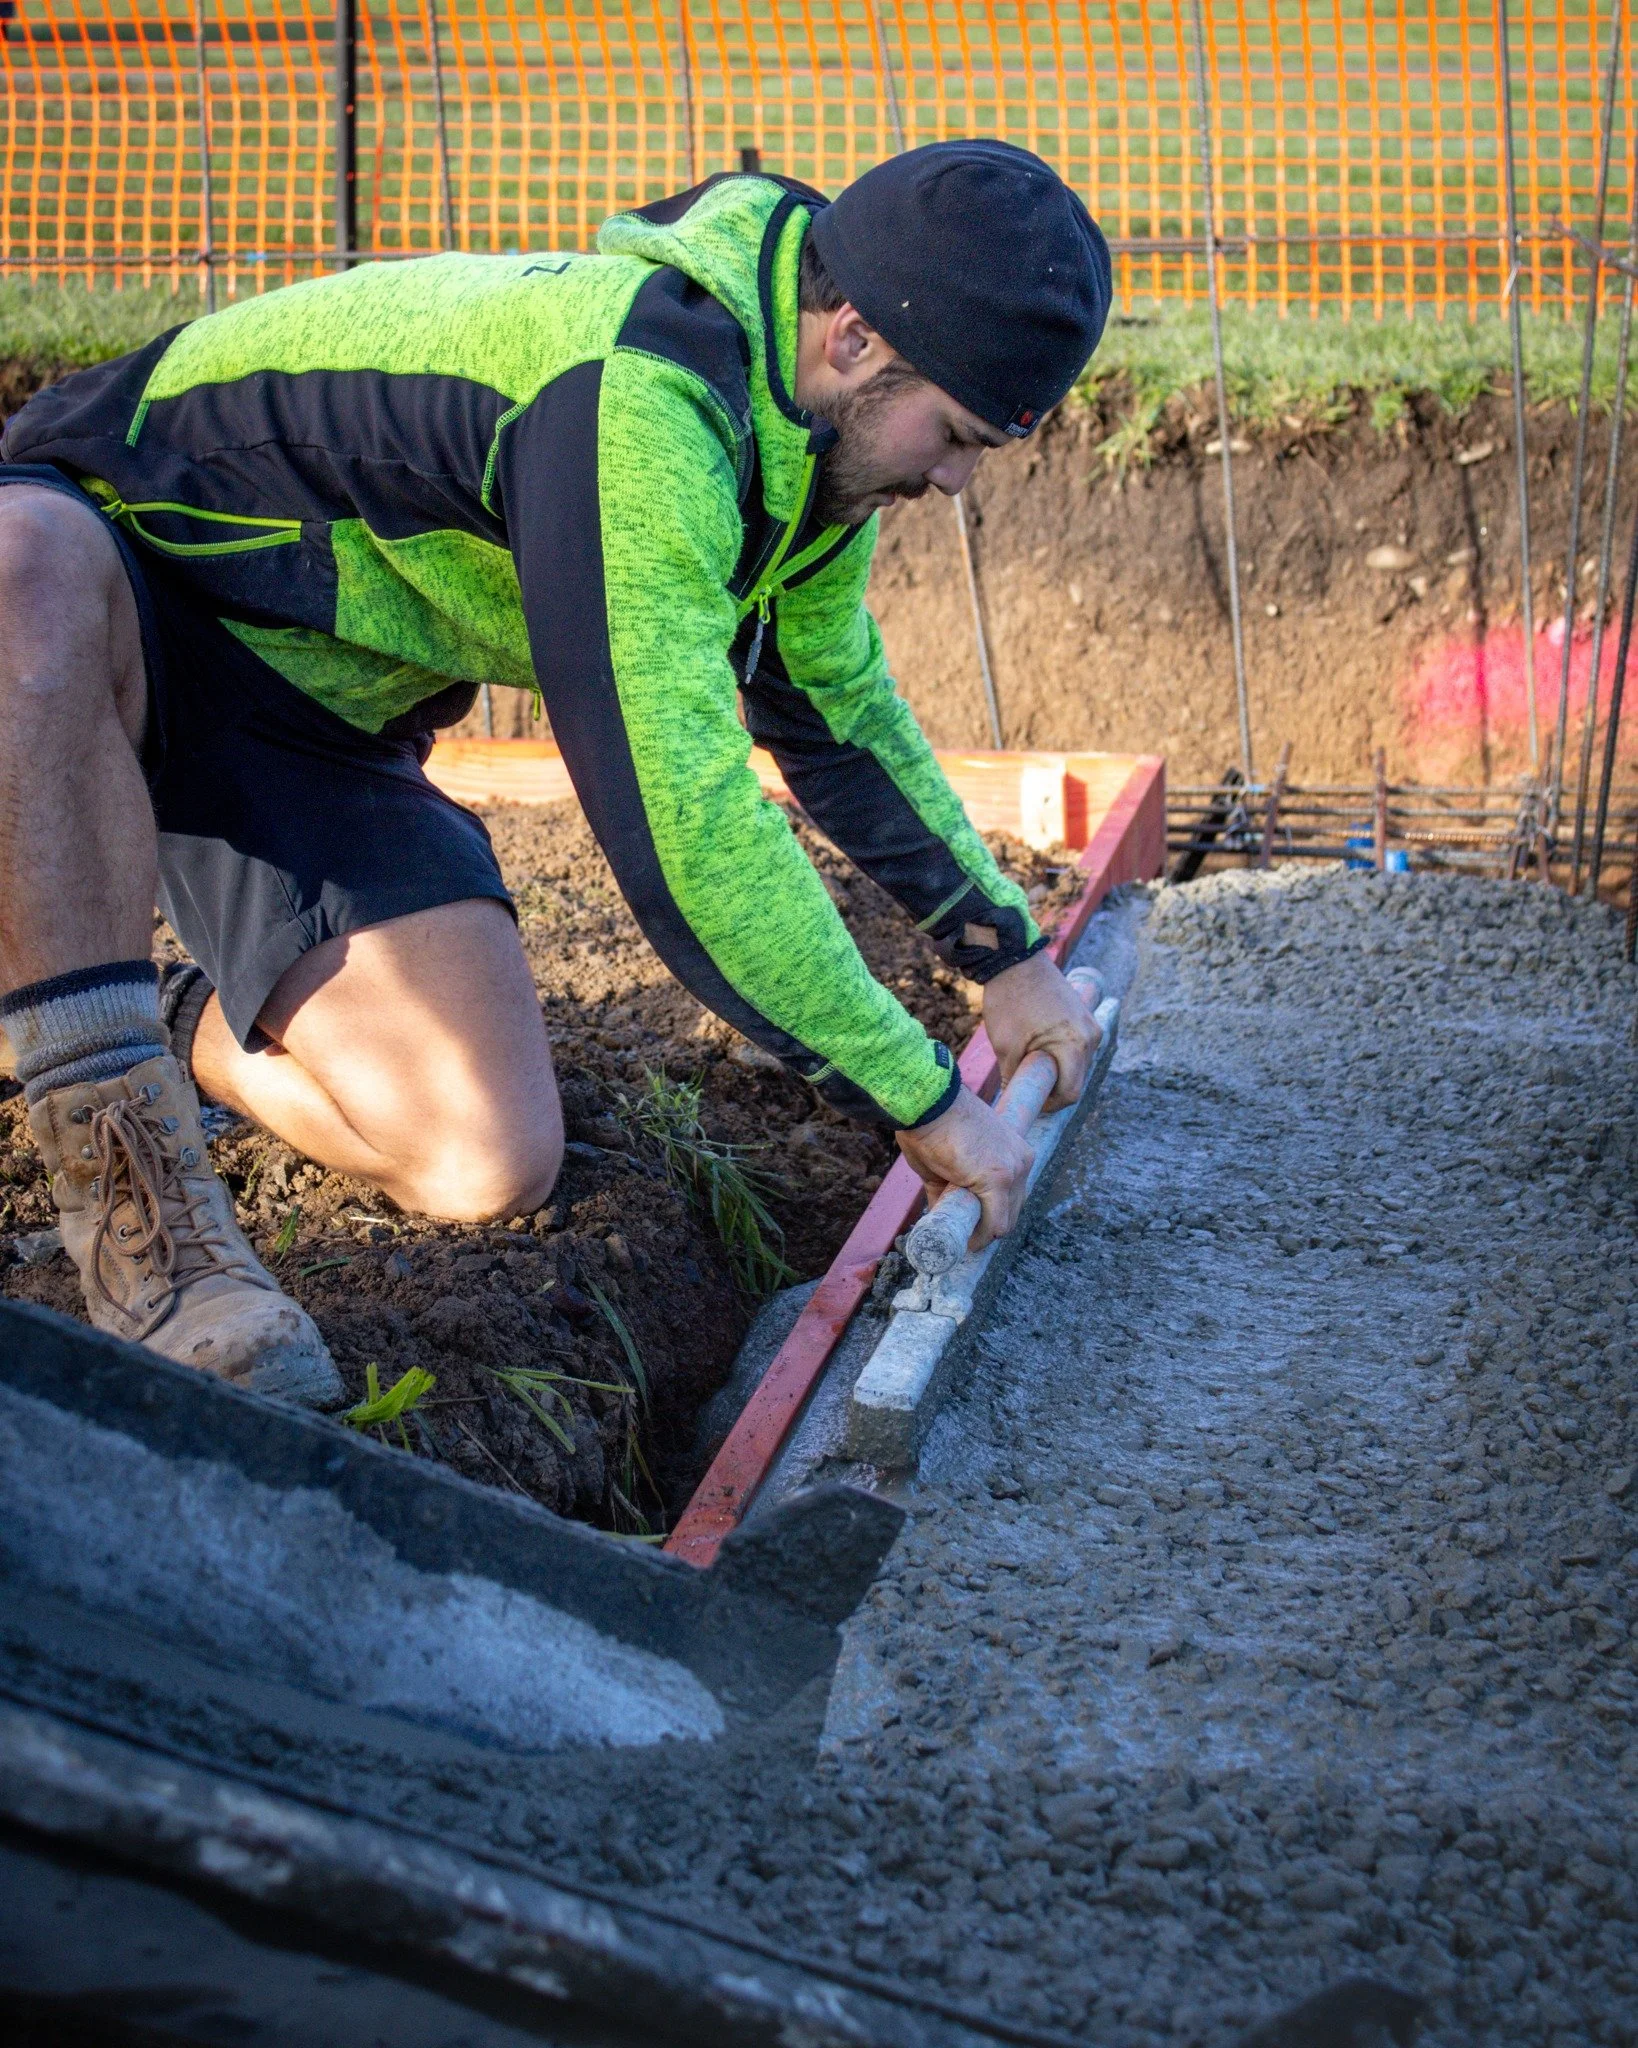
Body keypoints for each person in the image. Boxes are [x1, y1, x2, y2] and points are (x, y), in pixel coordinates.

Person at [0, 140, 1111, 1406]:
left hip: (298, 713)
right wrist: (920, 1094)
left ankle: (118, 1002)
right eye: (955, 434)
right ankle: (145, 1226)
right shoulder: (635, 407)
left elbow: (836, 710)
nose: (954, 478)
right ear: (853, 338)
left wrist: (1006, 953)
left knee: (483, 1158)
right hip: (116, 586)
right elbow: (687, 830)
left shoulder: (809, 449)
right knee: (19, 565)